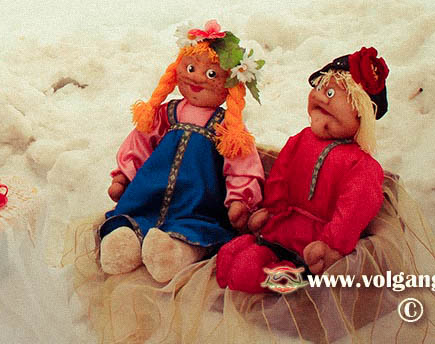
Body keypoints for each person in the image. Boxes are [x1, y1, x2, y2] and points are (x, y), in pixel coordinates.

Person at [100, 21, 264, 283]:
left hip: (198, 201)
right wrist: (123, 174)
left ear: (230, 83)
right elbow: (140, 140)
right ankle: (128, 238)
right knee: (136, 215)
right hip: (149, 192)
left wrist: (240, 200)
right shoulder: (169, 112)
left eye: (211, 74)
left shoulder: (226, 125)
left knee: (195, 226)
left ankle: (179, 249)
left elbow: (241, 164)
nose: (197, 77)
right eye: (190, 68)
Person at [216, 48, 389, 292]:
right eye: (319, 88)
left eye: (331, 93)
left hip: (311, 244)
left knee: (250, 272)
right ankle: (260, 257)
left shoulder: (361, 165)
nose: (321, 97)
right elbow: (280, 177)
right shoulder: (301, 139)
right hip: (282, 225)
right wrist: (272, 210)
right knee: (229, 255)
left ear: (360, 112)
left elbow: (352, 209)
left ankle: (287, 278)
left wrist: (331, 245)